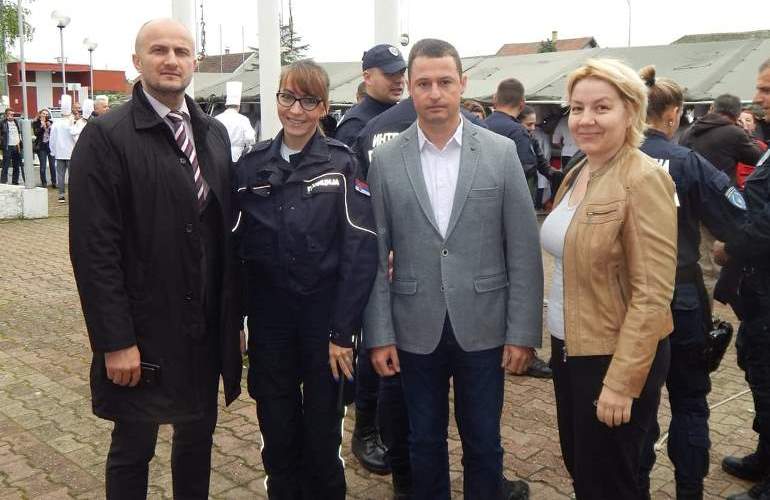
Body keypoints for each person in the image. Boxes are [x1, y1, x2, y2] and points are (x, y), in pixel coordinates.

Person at [68, 18, 242, 499]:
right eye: (159, 50)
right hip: (142, 329)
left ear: (195, 63)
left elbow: (224, 236)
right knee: (133, 447)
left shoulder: (212, 134)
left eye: (181, 52)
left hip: (202, 326)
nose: (171, 60)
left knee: (197, 440)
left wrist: (232, 320)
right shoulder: (106, 136)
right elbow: (94, 249)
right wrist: (115, 341)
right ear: (137, 60)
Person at [364, 38, 543, 500]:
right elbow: (375, 254)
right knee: (423, 443)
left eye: (445, 82)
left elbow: (523, 249)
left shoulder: (500, 153)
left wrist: (522, 332)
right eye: (423, 83)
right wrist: (380, 333)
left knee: (484, 443)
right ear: (410, 88)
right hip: (413, 328)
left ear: (463, 83)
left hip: (484, 326)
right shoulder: (386, 160)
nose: (435, 93)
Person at [234, 59, 377, 500]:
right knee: (277, 436)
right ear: (277, 99)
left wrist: (343, 333)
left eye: (309, 101)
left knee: (322, 439)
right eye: (288, 97)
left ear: (324, 107)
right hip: (270, 325)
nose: (296, 110)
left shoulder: (342, 163)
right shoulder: (250, 166)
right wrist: (235, 323)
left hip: (324, 325)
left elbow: (359, 250)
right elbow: (234, 252)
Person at [541, 58, 678, 500]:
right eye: (577, 108)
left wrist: (621, 382)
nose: (586, 119)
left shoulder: (643, 178)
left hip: (612, 355)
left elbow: (652, 295)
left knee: (610, 483)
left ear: (631, 111)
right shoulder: (580, 170)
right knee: (584, 471)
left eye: (602, 108)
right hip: (569, 348)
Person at [635, 65, 746, 500]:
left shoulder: (610, 157)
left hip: (629, 298)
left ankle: (636, 487)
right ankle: (689, 490)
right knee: (690, 400)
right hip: (681, 293)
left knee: (636, 403)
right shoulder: (688, 162)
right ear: (672, 114)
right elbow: (738, 220)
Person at [714, 58, 770, 500]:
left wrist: (730, 245)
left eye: (767, 89)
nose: (758, 97)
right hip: (759, 287)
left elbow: (766, 223)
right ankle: (765, 456)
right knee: (759, 372)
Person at [334, 43, 406, 147]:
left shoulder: (408, 117)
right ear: (368, 78)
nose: (399, 80)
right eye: (390, 74)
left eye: (401, 73)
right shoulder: (355, 125)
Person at [215, 81, 256, 162]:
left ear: (226, 106)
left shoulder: (217, 119)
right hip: (238, 157)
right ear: (239, 106)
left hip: (220, 157)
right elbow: (250, 139)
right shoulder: (243, 119)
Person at [49, 95, 77, 203]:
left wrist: (53, 151)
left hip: (59, 153)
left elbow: (52, 139)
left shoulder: (56, 123)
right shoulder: (72, 123)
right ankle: (73, 195)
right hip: (71, 152)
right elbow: (75, 137)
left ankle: (61, 195)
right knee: (72, 176)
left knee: (60, 175)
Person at [737, 108, 768, 190]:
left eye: (748, 120)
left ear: (754, 126)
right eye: (739, 120)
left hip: (752, 189)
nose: (743, 123)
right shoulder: (728, 143)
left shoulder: (762, 146)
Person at [32, 108, 56, 188]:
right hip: (41, 146)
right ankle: (44, 183)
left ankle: (54, 182)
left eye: (46, 114)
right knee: (43, 166)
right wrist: (42, 126)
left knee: (52, 165)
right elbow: (36, 133)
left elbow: (54, 133)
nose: (45, 115)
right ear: (40, 114)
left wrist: (50, 127)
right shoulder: (36, 123)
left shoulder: (50, 122)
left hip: (50, 146)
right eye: (43, 114)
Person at [1, 108, 22, 185]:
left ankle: (15, 181)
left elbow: (18, 133)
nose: (12, 116)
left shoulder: (16, 122)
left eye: (13, 114)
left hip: (16, 146)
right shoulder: (2, 123)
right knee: (5, 165)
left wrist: (19, 143)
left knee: (16, 165)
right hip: (8, 146)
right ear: (6, 115)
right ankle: (3, 181)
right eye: (10, 114)